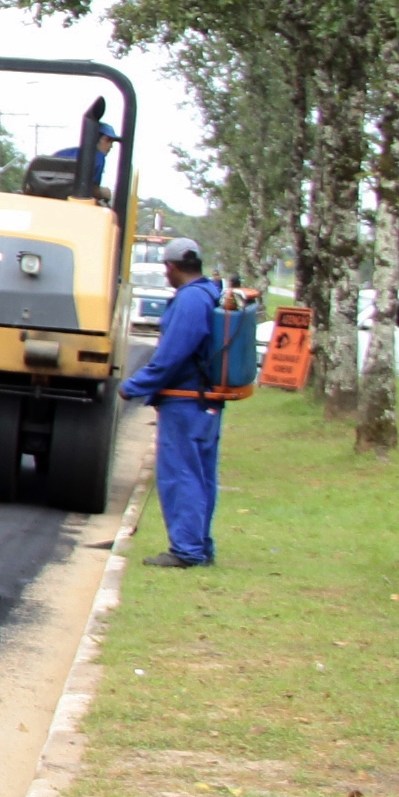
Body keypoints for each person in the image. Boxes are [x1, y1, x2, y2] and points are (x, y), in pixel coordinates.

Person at [120, 235, 226, 567]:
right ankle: (199, 545)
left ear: (172, 267)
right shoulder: (210, 293)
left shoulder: (191, 300)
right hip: (204, 402)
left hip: (185, 402)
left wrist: (133, 386)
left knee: (181, 474)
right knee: (200, 475)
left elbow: (171, 356)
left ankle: (187, 550)